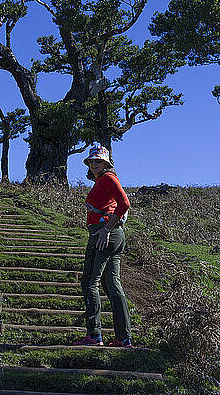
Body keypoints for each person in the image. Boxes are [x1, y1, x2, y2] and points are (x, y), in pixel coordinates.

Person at [72, 144, 133, 348]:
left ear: (106, 163)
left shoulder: (108, 178)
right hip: (112, 235)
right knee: (112, 285)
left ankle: (94, 335)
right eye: (91, 161)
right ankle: (124, 338)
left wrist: (105, 230)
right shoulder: (102, 181)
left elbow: (124, 204)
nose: (94, 164)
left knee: (90, 281)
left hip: (103, 234)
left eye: (98, 161)